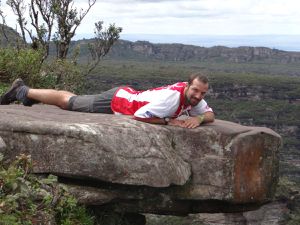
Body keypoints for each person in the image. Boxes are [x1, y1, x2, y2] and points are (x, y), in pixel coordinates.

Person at [0, 73, 214, 128]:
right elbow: (140, 117)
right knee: (69, 103)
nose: (198, 96)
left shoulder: (194, 100)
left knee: (74, 99)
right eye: (195, 90)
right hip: (117, 102)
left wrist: (200, 119)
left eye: (202, 93)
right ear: (187, 85)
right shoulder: (172, 99)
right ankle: (23, 91)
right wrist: (169, 122)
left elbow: (211, 114)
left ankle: (29, 96)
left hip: (126, 95)